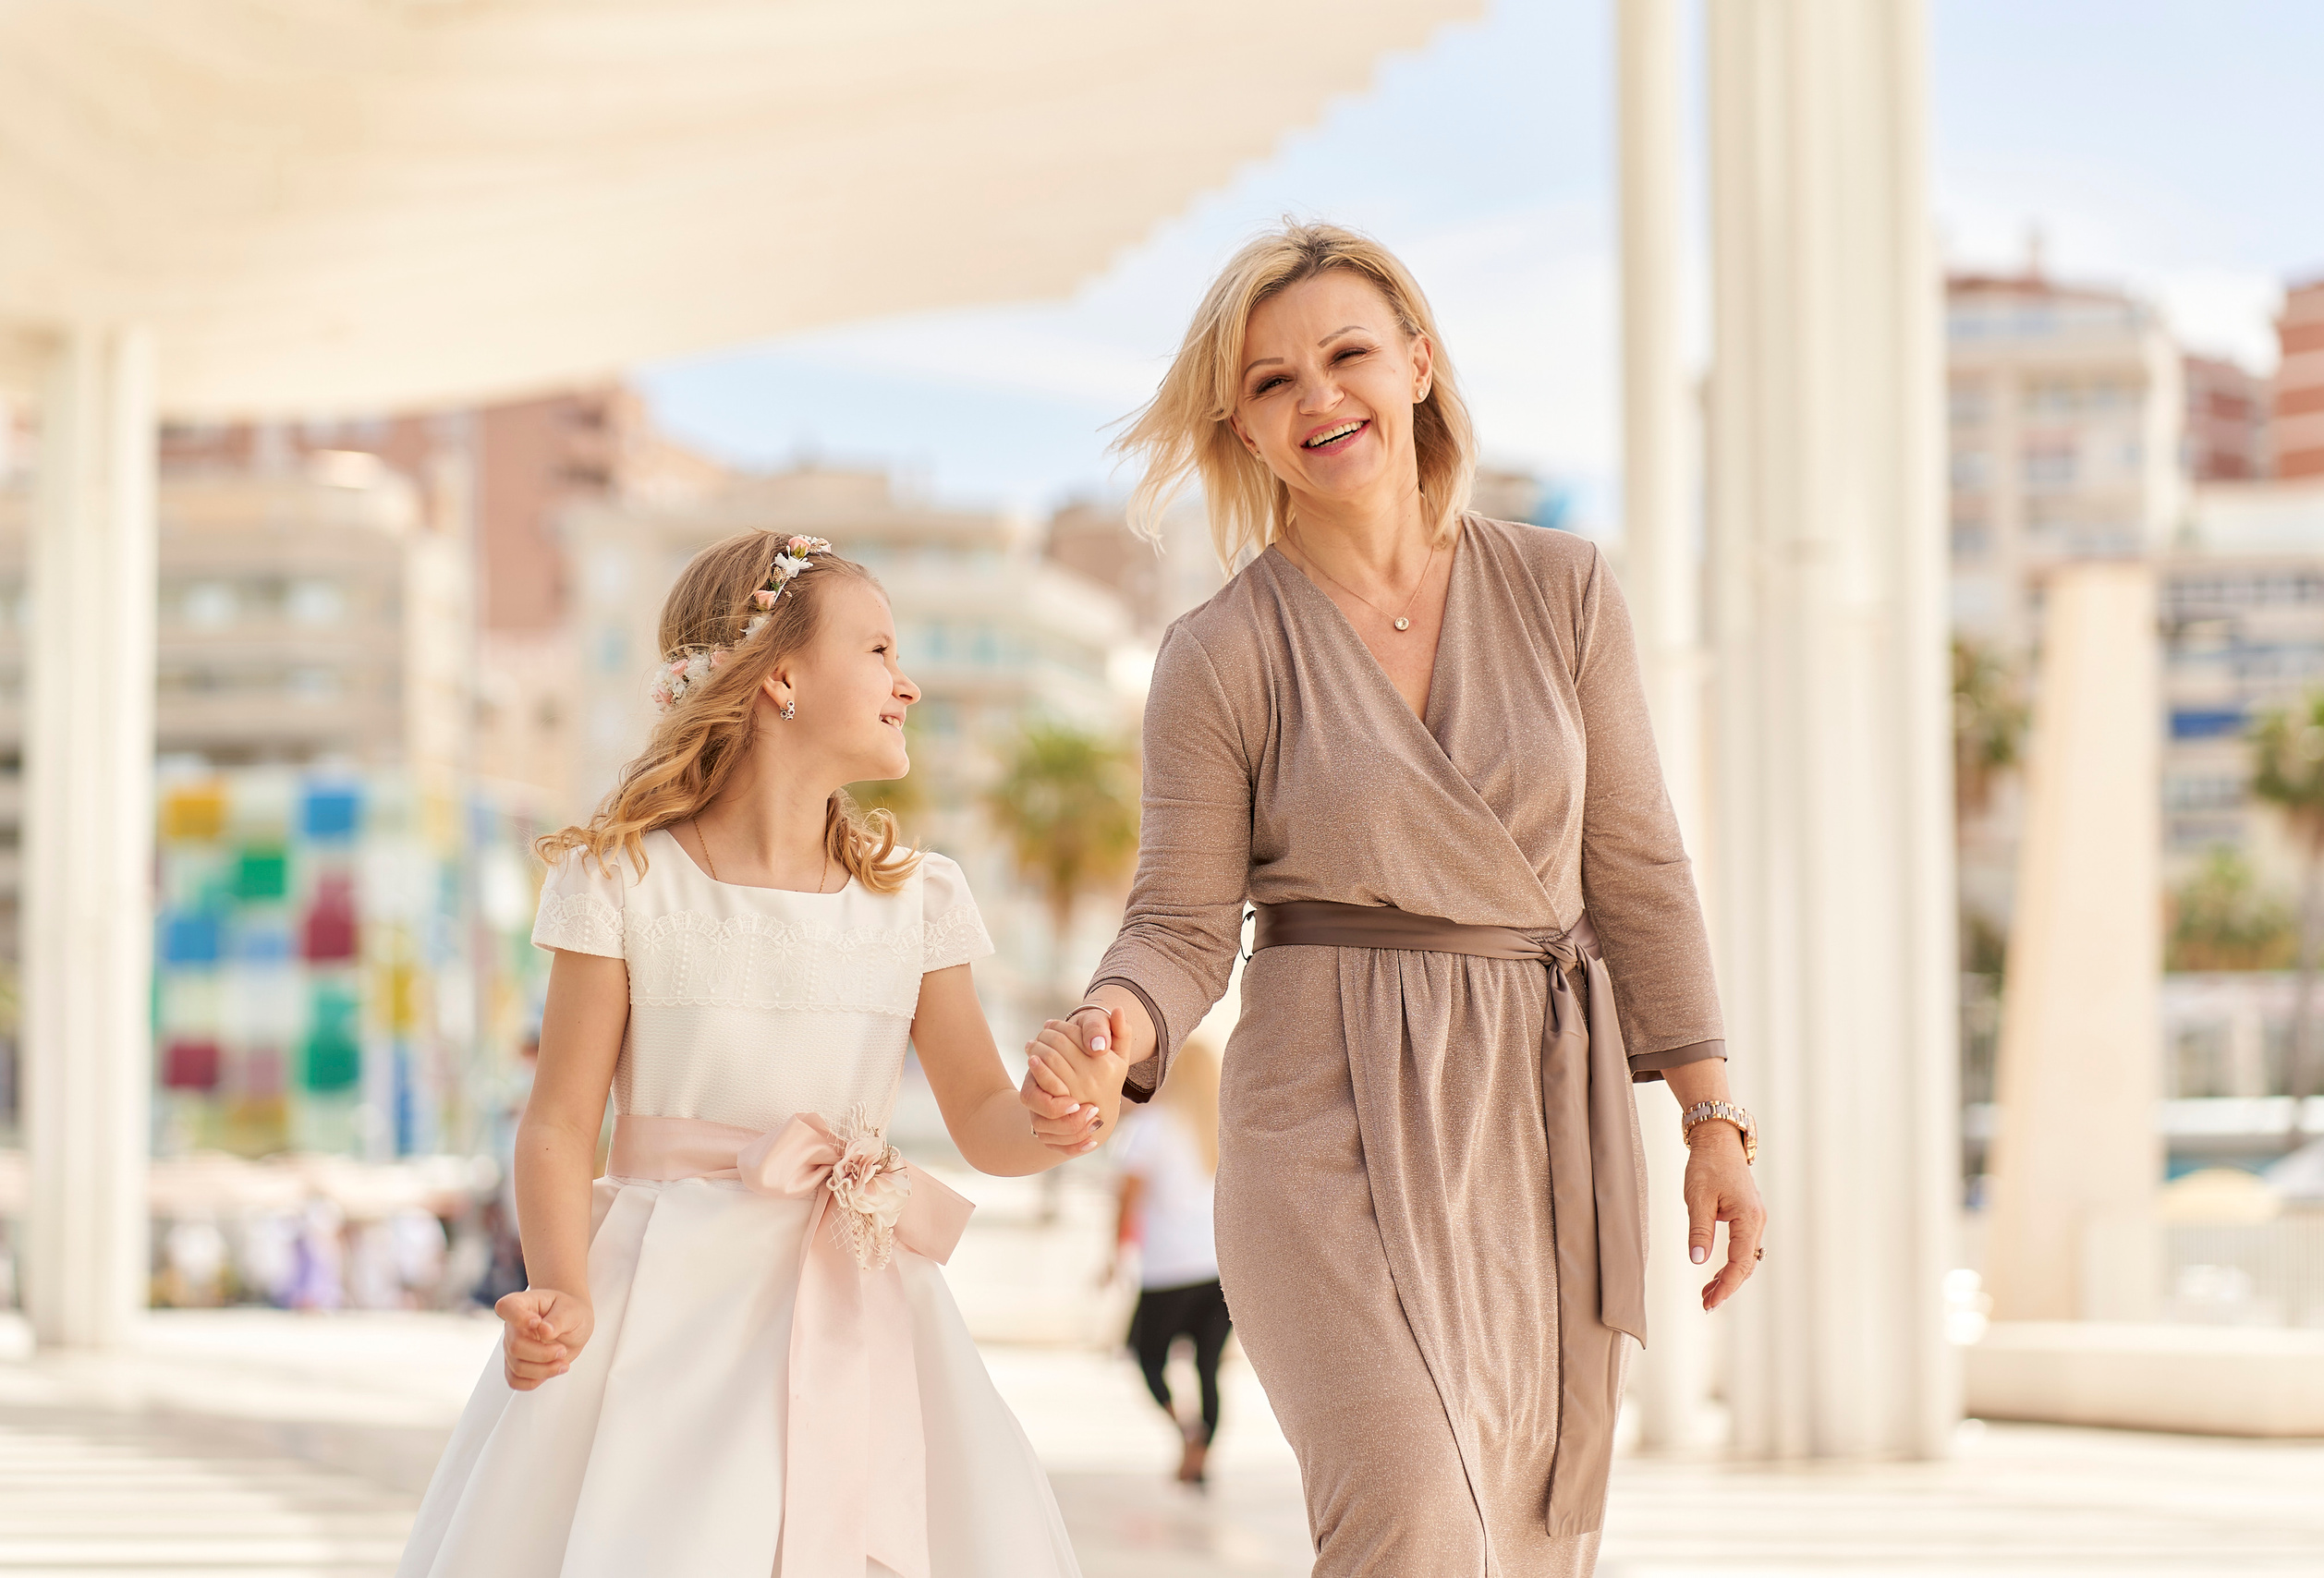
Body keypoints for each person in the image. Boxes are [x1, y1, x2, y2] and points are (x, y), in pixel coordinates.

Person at [1022, 222, 1769, 1576]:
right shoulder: (1220, 653)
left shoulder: (1564, 588)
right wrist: (1112, 1028)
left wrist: (1711, 1115)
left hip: (1536, 1115)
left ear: (1418, 366)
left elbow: (1639, 866)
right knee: (1410, 1518)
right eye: (1269, 381)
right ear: (1242, 430)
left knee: (1529, 1538)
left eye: (1348, 354)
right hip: (1326, 1120)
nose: (1318, 397)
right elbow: (1181, 923)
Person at [397, 533, 1125, 1578]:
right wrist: (561, 1286)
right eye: (876, 650)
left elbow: (984, 1118)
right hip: (662, 1303)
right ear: (781, 676)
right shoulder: (623, 881)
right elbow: (560, 1118)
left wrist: (1060, 1117)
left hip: (863, 1292)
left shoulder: (919, 901)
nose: (907, 682)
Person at [1112, 1036, 1228, 1486]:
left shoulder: (1152, 1127)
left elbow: (1126, 1196)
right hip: (1218, 1270)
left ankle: (1186, 1434)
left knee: (1146, 1357)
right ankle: (1200, 1453)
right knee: (1208, 1367)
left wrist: (1115, 1254)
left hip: (1168, 1270)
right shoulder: (1224, 1126)